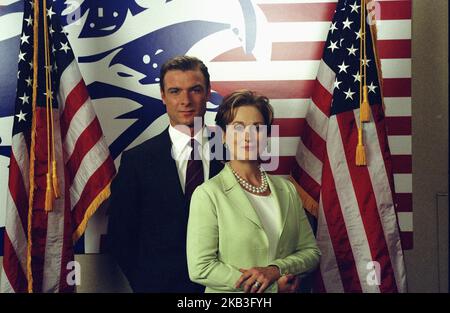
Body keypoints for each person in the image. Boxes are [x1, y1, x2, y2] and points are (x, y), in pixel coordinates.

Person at [107, 56, 224, 292]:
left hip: (224, 289)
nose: (185, 100)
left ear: (209, 93)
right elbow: (120, 236)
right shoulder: (137, 161)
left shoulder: (233, 156)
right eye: (175, 91)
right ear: (163, 96)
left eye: (195, 90)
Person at [186, 90, 321, 293]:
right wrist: (270, 287)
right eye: (238, 127)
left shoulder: (287, 190)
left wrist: (276, 270)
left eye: (257, 128)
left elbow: (311, 252)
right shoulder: (208, 194)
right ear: (223, 136)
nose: (248, 136)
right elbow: (200, 268)